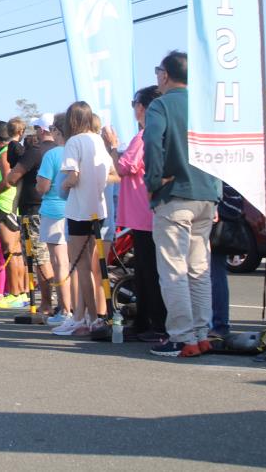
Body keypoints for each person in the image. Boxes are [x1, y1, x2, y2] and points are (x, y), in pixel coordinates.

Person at [143, 51, 222, 358]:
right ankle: (201, 334)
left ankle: (181, 337)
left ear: (165, 75)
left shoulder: (161, 105)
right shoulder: (206, 106)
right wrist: (216, 191)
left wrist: (153, 181)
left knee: (173, 268)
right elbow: (219, 150)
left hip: (174, 194)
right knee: (198, 269)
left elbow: (152, 142)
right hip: (206, 194)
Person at [101, 85, 168, 343]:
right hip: (145, 213)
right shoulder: (152, 134)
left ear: (141, 107)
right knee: (142, 272)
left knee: (149, 273)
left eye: (134, 104)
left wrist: (112, 146)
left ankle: (154, 324)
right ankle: (144, 321)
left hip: (144, 214)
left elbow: (123, 167)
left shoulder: (144, 136)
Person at [50, 102, 116, 336]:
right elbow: (112, 173)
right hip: (99, 208)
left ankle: (89, 319)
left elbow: (73, 176)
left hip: (78, 210)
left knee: (81, 266)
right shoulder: (98, 140)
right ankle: (87, 316)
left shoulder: (73, 142)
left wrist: (63, 186)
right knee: (91, 264)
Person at [3, 115, 57, 313]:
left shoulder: (36, 151)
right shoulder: (63, 150)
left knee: (40, 257)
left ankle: (47, 303)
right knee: (59, 258)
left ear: (42, 130)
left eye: (36, 128)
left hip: (34, 209)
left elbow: (12, 177)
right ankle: (65, 305)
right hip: (63, 209)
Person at [35, 114, 71, 325]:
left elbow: (43, 187)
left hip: (54, 211)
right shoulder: (78, 150)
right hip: (76, 211)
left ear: (57, 131)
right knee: (77, 264)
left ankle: (65, 310)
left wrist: (37, 184)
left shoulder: (53, 154)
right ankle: (78, 309)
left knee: (59, 263)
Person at [0, 120, 26, 308]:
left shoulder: (4, 154)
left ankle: (15, 293)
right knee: (16, 252)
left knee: (10, 252)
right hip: (11, 206)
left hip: (7, 206)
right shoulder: (7, 152)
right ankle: (21, 293)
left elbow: (8, 181)